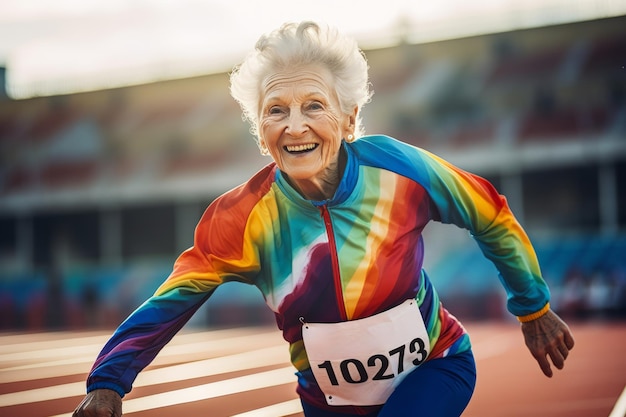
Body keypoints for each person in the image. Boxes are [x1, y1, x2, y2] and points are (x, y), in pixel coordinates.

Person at [72, 21, 575, 417]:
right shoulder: (241, 218)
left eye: (314, 105)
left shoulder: (398, 169)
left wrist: (533, 307)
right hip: (326, 404)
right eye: (276, 111)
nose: (295, 126)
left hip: (436, 366)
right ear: (260, 130)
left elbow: (488, 212)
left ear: (350, 118)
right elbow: (172, 300)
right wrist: (108, 382)